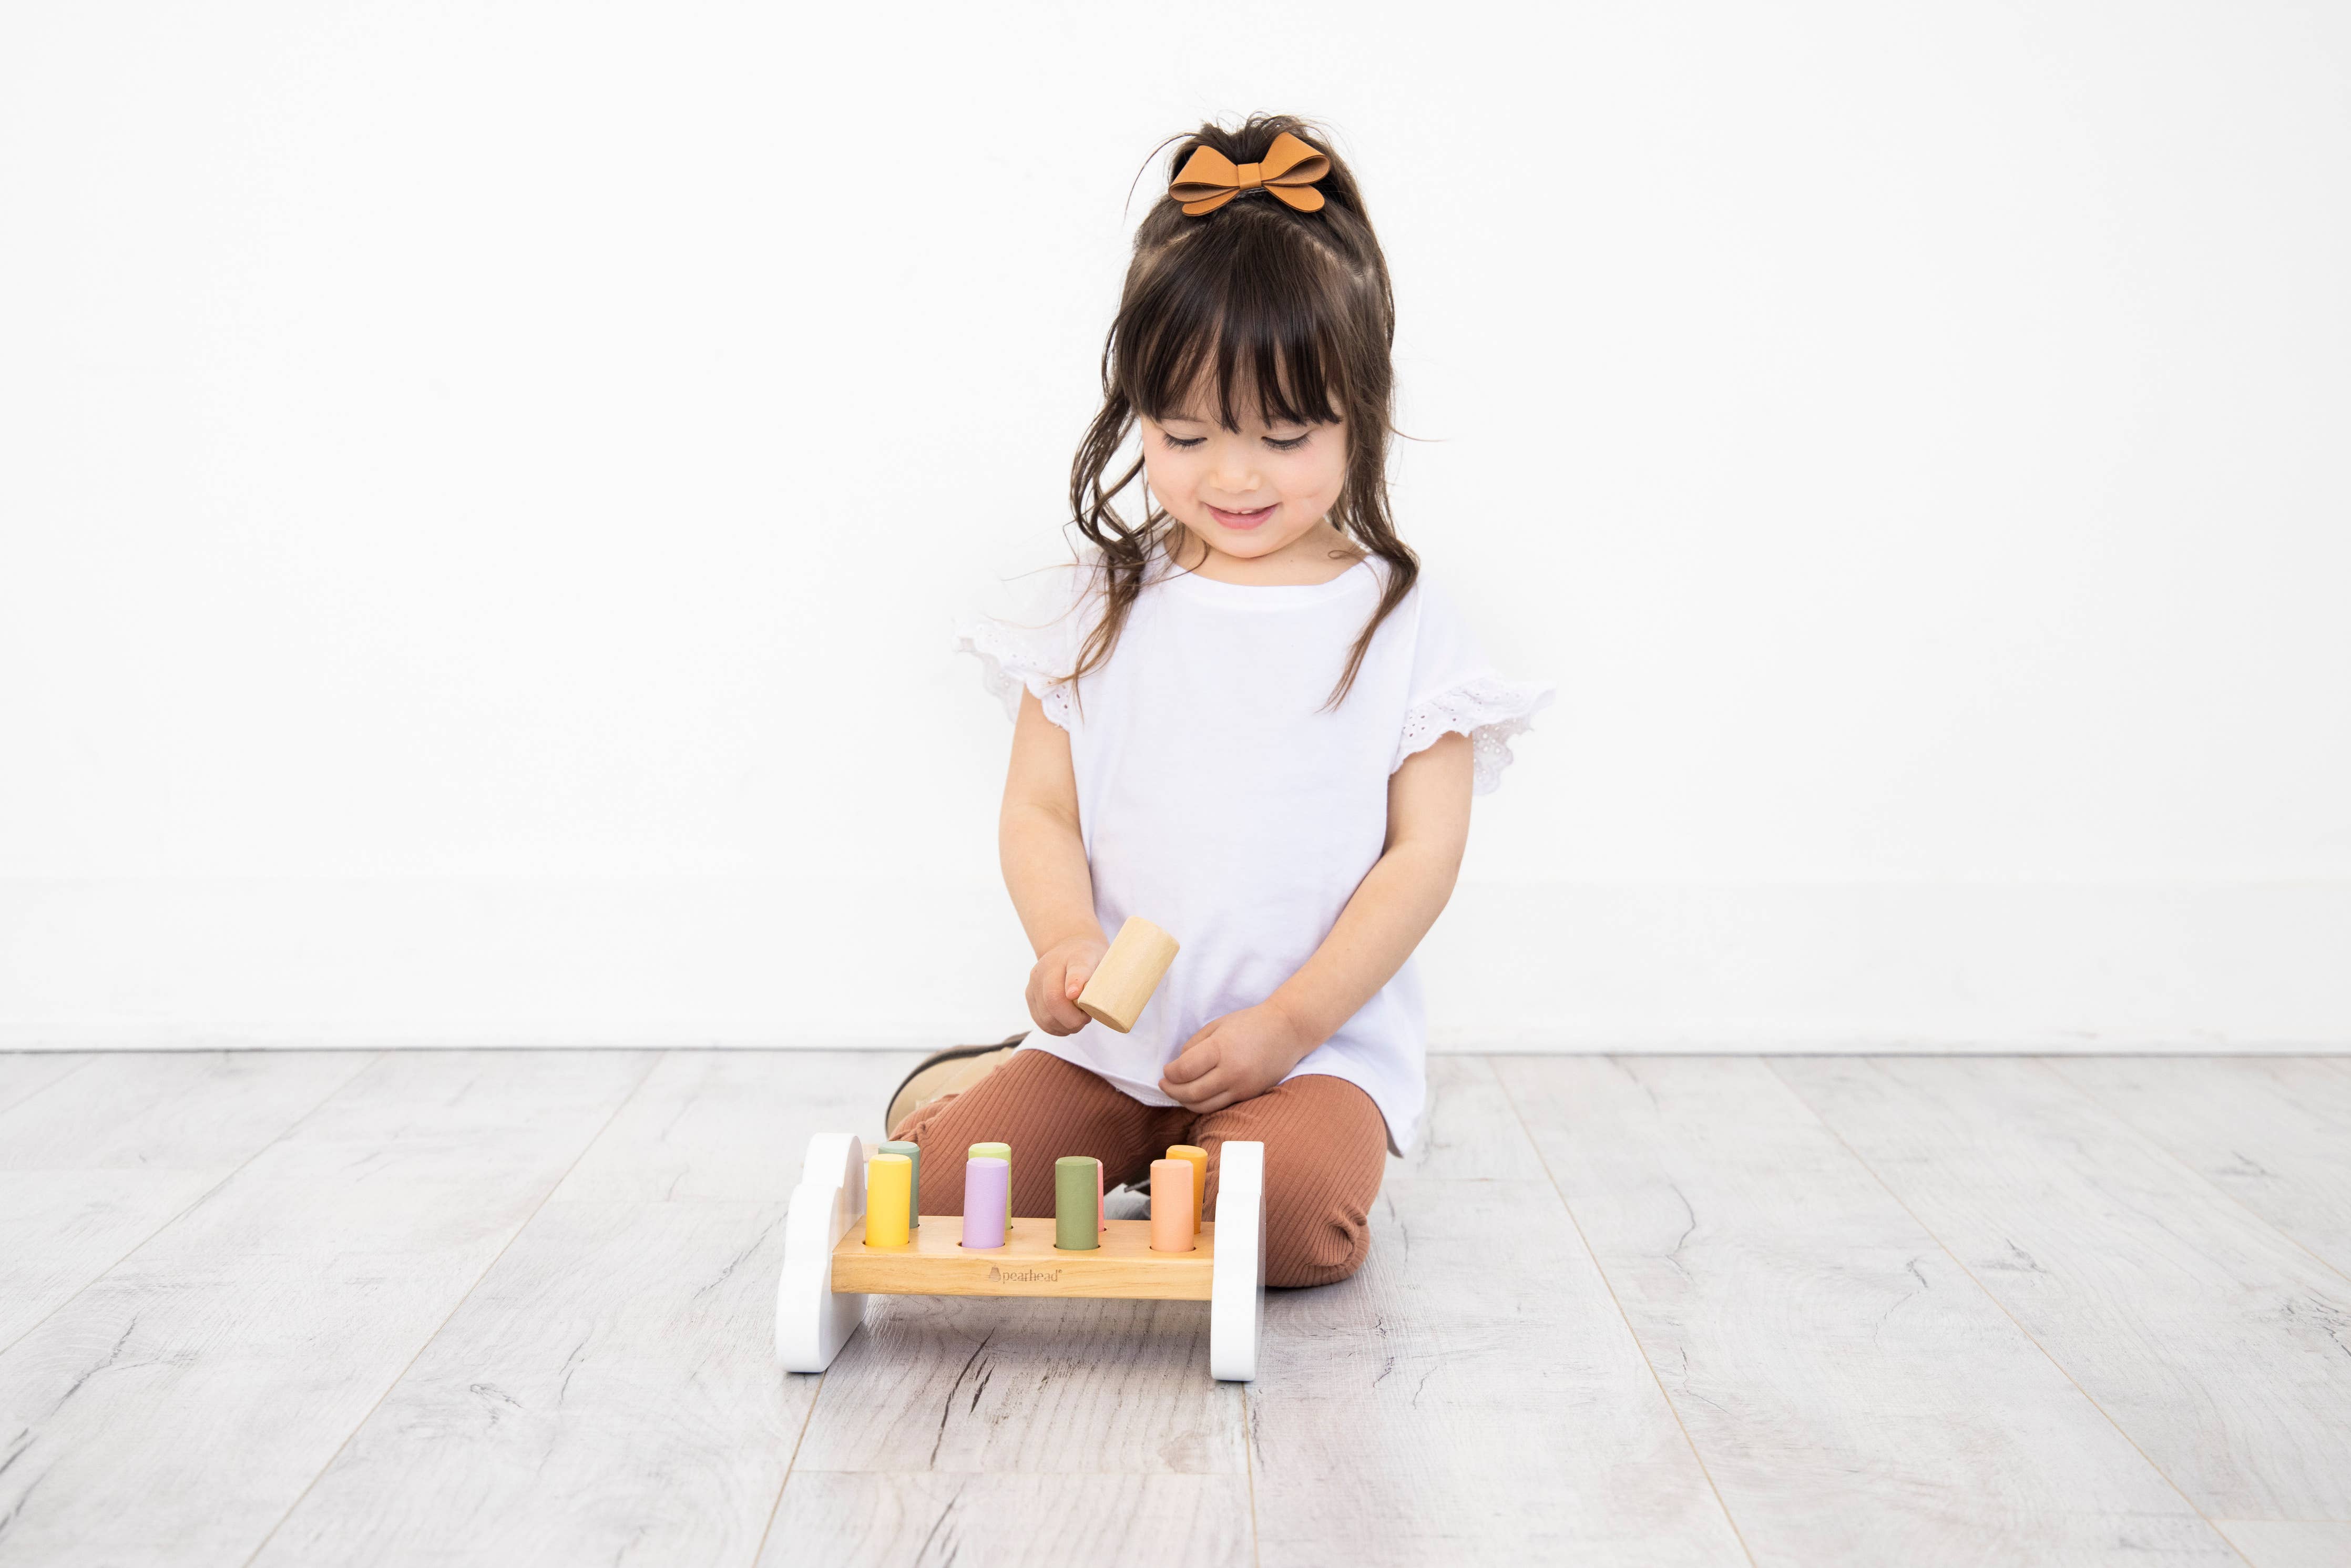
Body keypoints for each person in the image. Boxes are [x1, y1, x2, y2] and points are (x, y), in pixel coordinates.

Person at [890, 114, 1550, 1287]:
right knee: (952, 1200)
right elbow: (1040, 808)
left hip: (1311, 1051)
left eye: (1284, 436)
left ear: (1361, 410)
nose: (1233, 477)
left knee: (1286, 1228)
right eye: (1185, 434)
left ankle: (1229, 1145)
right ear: (1132, 407)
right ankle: (1014, 1092)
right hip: (1116, 1046)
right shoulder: (1097, 608)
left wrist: (1291, 1027)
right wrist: (1064, 945)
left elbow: (1419, 860)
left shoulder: (1401, 629)